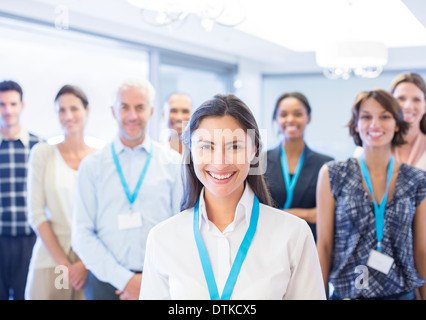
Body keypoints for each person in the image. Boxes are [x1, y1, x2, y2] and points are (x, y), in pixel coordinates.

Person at [139, 94, 326, 300]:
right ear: (190, 152)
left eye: (234, 146)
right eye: (206, 146)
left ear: (254, 149)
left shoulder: (293, 234)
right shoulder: (162, 238)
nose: (220, 163)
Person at [71, 78, 183, 300]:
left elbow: (180, 227)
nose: (132, 116)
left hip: (160, 281)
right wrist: (126, 280)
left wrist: (151, 279)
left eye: (139, 107)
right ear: (114, 111)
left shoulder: (173, 163)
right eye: (125, 107)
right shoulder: (92, 166)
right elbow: (81, 234)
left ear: (151, 111)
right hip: (105, 282)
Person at [316, 89, 426, 300]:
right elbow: (324, 246)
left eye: (385, 116)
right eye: (366, 117)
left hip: (401, 294)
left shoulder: (416, 179)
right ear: (356, 125)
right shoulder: (333, 174)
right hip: (348, 294)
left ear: (397, 124)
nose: (375, 124)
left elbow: (421, 251)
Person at [25, 85, 95, 300]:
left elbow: (107, 218)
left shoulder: (100, 159)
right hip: (51, 259)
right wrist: (65, 265)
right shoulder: (43, 153)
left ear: (87, 110)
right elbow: (36, 213)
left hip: (91, 262)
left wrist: (84, 264)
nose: (68, 116)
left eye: (74, 108)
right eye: (61, 110)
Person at [264, 92, 333, 241]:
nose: (290, 119)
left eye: (298, 114)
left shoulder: (327, 164)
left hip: (309, 242)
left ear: (308, 117)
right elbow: (253, 208)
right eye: (283, 114)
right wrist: (307, 214)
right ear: (276, 119)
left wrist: (278, 213)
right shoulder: (258, 161)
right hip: (268, 241)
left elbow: (328, 213)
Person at [0, 80, 43, 300]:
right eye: (2, 104)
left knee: (25, 295)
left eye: (12, 104)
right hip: (0, 237)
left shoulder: (39, 147)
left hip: (29, 239)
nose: (7, 110)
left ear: (21, 106)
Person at [390, 72, 426, 171]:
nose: (408, 106)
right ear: (390, 104)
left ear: (425, 107)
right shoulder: (374, 146)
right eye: (401, 98)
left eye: (416, 100)